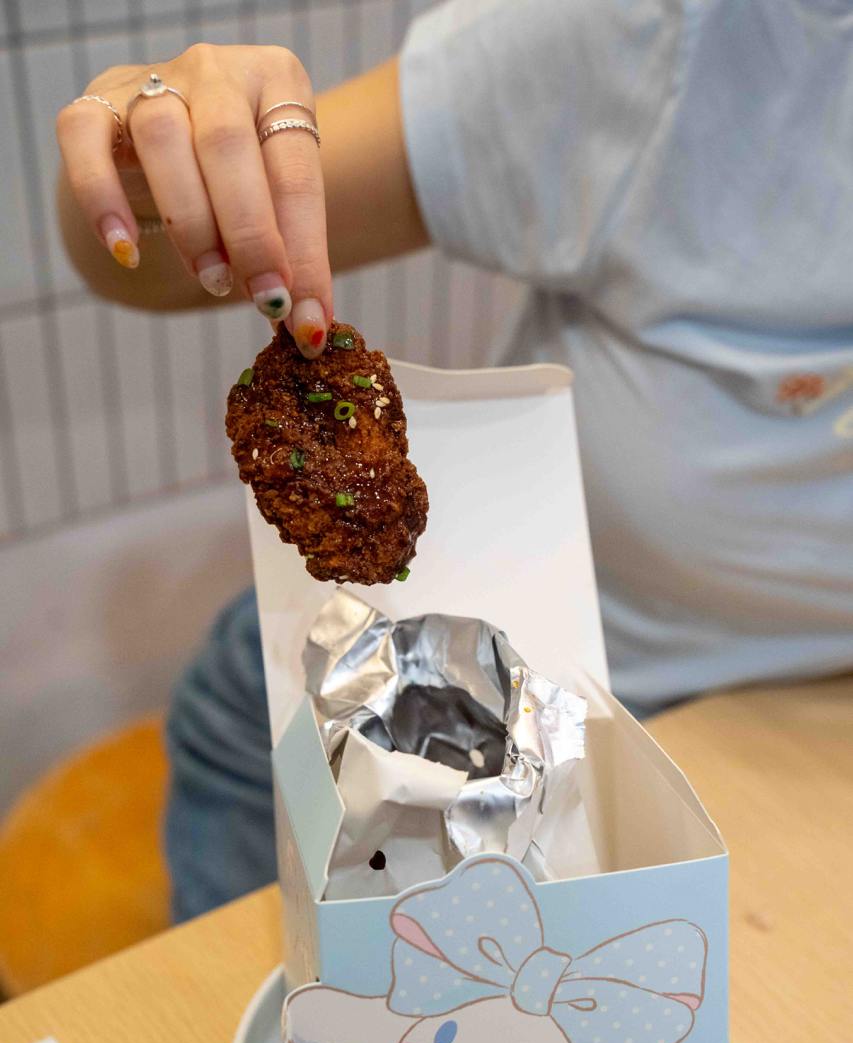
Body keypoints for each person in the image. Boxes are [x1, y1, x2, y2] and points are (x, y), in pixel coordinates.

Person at [56, 0, 853, 922]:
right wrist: (145, 150)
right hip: (360, 703)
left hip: (766, 745)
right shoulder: (671, 36)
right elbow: (140, 260)